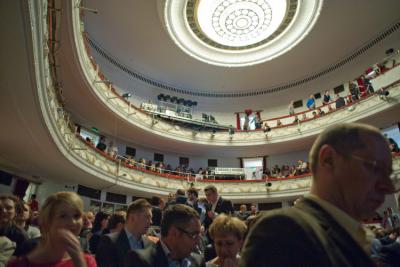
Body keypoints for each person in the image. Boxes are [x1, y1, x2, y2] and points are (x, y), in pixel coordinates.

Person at [239, 123, 395, 267]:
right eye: (375, 168)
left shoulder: (360, 236)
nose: (388, 187)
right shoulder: (284, 231)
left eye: (388, 174)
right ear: (328, 159)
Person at [6, 192, 96, 267]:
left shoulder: (88, 262)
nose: (72, 222)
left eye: (77, 216)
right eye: (63, 216)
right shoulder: (20, 264)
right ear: (48, 221)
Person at [124, 204, 204, 267]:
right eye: (194, 235)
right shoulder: (139, 260)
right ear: (174, 233)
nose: (198, 241)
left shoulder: (198, 261)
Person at [96, 199, 153, 267]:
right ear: (133, 218)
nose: (151, 222)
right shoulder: (109, 241)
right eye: (147, 217)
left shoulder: (150, 244)